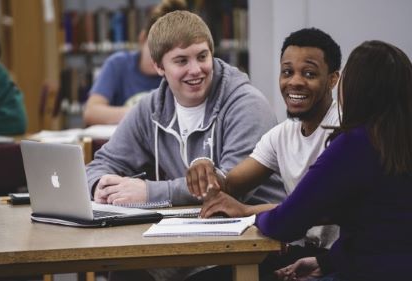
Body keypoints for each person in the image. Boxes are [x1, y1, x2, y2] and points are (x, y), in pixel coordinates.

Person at [86, 10, 285, 281]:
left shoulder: (247, 105)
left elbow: (229, 187)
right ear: (159, 67)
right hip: (188, 236)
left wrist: (148, 192)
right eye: (181, 60)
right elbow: (101, 163)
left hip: (253, 242)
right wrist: (101, 186)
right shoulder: (151, 108)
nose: (196, 69)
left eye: (202, 56)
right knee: (126, 273)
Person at [255, 40, 412, 281]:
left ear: (353, 89)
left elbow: (286, 224)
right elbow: (390, 230)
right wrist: (326, 261)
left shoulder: (355, 144)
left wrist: (253, 219)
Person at [186, 27, 342, 281]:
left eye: (310, 74)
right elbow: (230, 185)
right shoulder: (281, 135)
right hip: (303, 254)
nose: (295, 82)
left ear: (333, 79)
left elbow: (315, 209)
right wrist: (206, 170)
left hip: (340, 261)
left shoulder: (343, 130)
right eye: (287, 72)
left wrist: (246, 210)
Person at [82, 0, 188, 126]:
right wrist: (143, 113)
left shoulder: (181, 73)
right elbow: (91, 112)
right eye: (155, 49)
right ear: (142, 38)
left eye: (169, 55)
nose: (159, 60)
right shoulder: (117, 64)